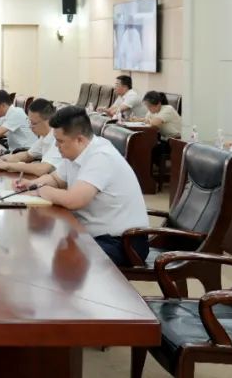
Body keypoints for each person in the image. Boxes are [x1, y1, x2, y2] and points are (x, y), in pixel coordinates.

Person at [16, 105, 149, 266]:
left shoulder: (101, 156)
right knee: (45, 245)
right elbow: (56, 179)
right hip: (92, 233)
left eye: (60, 141)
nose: (56, 146)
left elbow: (74, 200)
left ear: (79, 139)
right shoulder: (75, 152)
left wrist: (42, 190)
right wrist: (32, 184)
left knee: (63, 259)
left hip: (123, 242)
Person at [0, 98, 63, 176]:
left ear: (49, 121)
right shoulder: (44, 136)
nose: (30, 126)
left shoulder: (58, 139)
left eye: (34, 123)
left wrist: (8, 166)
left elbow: (42, 169)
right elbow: (28, 155)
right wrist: (5, 158)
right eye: (29, 121)